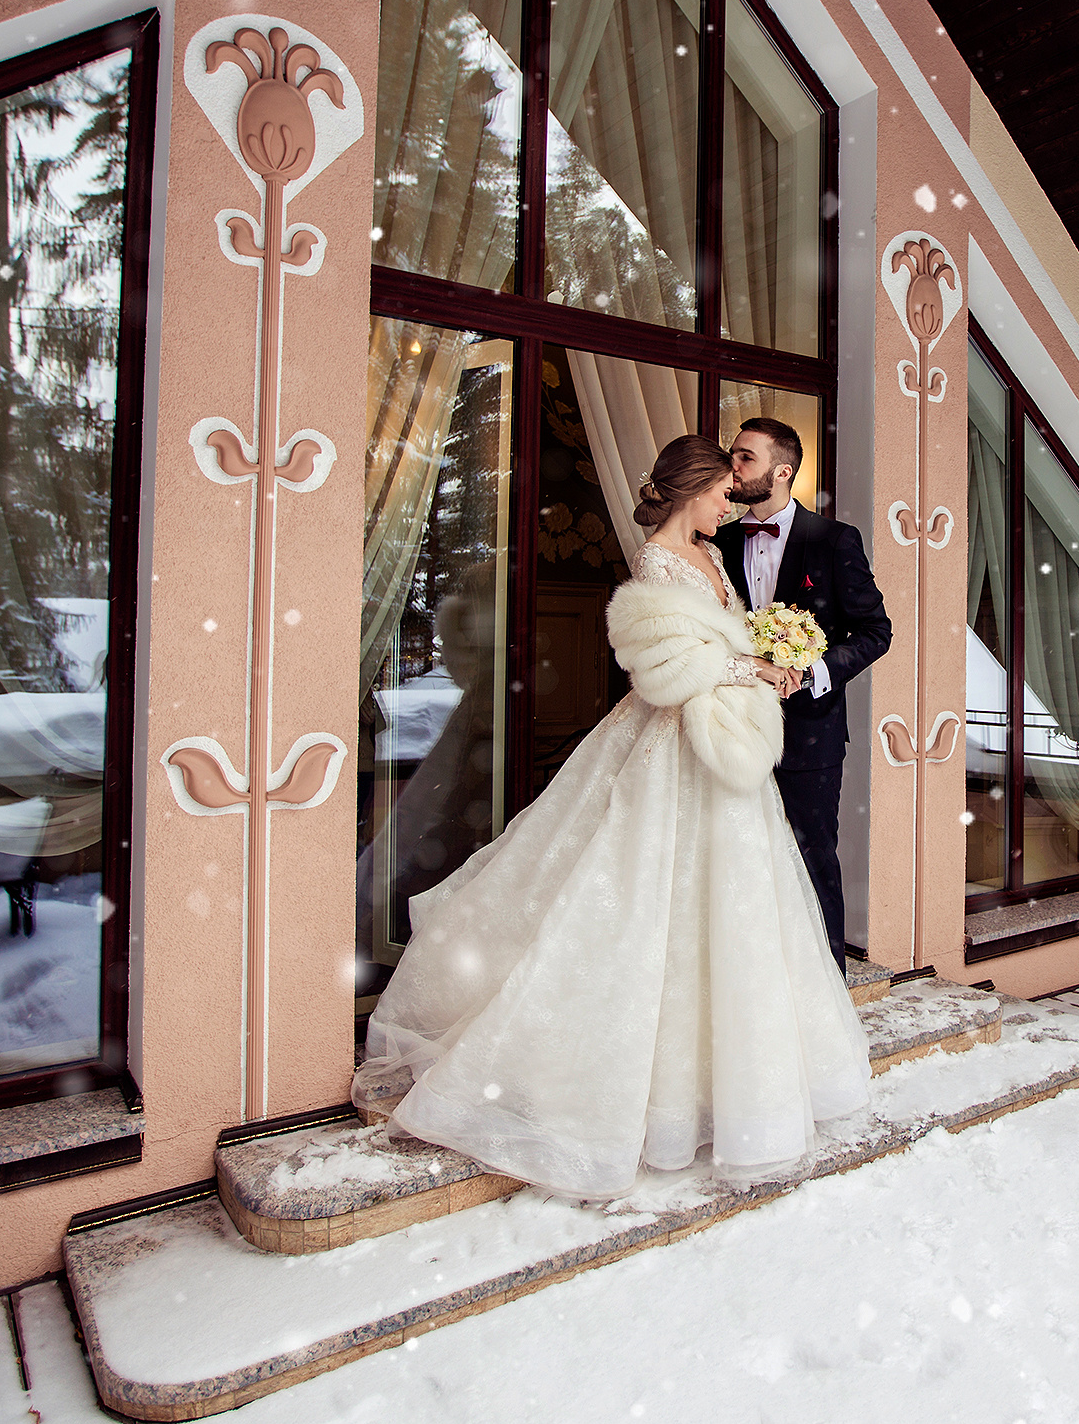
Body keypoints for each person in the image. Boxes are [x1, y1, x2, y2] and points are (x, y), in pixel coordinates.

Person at [352, 435, 871, 1200]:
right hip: (667, 753)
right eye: (721, 489)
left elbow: (722, 637)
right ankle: (615, 1090)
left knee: (735, 917)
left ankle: (716, 1088)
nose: (729, 500)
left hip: (726, 757)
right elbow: (664, 670)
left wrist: (773, 656)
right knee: (635, 907)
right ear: (692, 487)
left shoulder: (712, 554)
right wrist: (750, 665)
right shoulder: (657, 565)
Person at [710, 418, 891, 960]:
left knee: (813, 860)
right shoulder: (715, 540)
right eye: (732, 456)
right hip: (731, 726)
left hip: (809, 734)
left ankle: (826, 988)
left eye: (744, 457)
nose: (732, 467)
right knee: (735, 858)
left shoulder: (834, 540)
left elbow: (875, 631)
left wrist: (813, 671)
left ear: (781, 471)